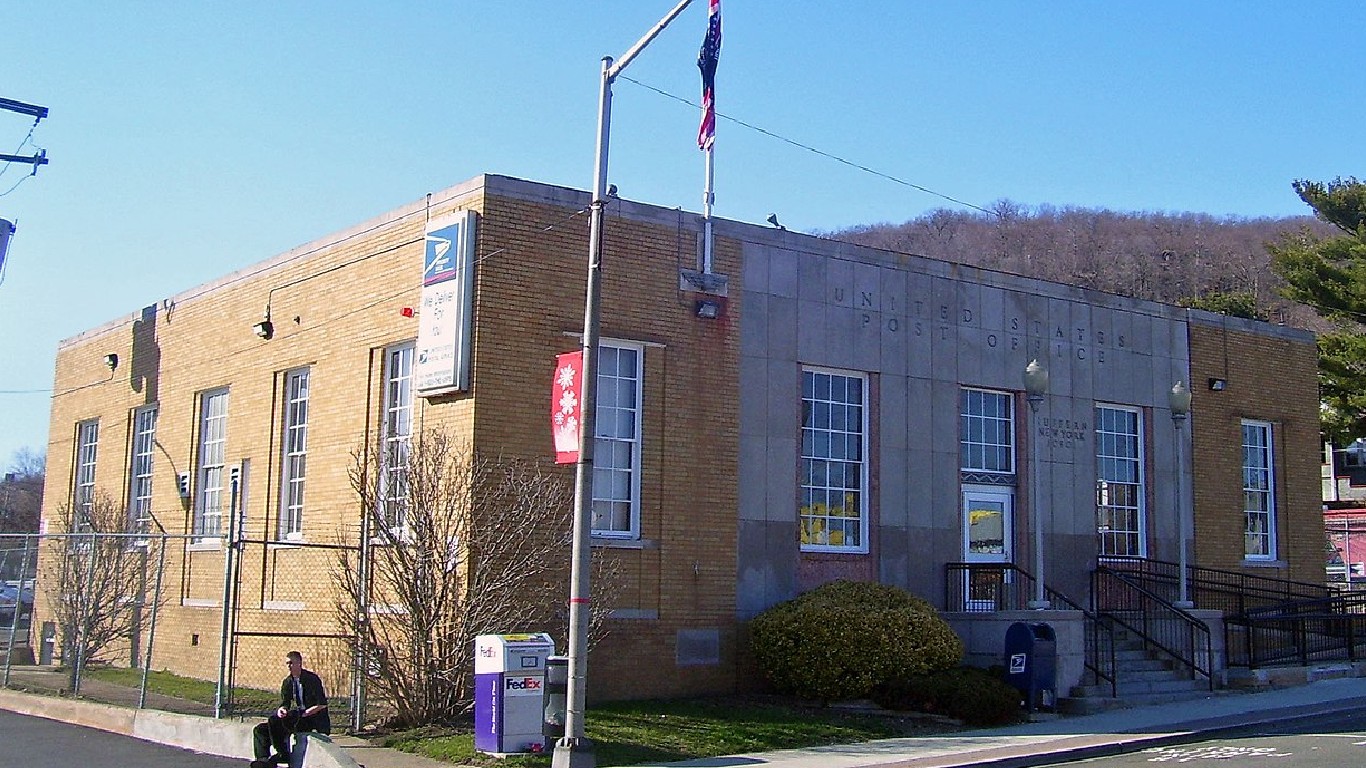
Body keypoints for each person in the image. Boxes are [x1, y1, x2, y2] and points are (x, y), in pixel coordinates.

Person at [250, 650, 330, 768]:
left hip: (311, 718)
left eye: (291, 663)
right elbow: (285, 703)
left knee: (275, 721)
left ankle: (282, 754)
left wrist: (307, 712)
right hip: (298, 716)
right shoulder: (288, 682)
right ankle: (263, 759)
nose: (289, 666)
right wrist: (282, 710)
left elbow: (322, 704)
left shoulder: (312, 679)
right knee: (260, 730)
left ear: (299, 663)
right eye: (287, 663)